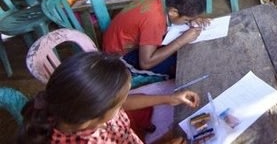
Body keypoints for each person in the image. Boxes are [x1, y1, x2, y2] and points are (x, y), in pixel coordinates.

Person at [18, 51, 198, 144]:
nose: (123, 102)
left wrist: (169, 99)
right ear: (98, 114)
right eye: (120, 100)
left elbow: (123, 104)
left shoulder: (69, 108)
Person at [102, 0, 207, 78]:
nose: (188, 22)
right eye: (187, 20)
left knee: (179, 50)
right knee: (180, 67)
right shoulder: (154, 20)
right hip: (118, 57)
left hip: (121, 39)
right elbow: (146, 63)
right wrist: (181, 41)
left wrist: (193, 18)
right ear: (173, 12)